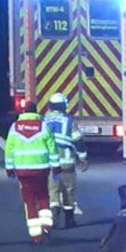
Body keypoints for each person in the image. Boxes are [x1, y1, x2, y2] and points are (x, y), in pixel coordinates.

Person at [3, 105, 57, 240]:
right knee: (43, 197)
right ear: (36, 112)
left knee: (29, 200)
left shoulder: (15, 127)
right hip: (41, 169)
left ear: (23, 112)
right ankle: (46, 226)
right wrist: (56, 166)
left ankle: (36, 234)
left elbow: (9, 149)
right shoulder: (43, 126)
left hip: (23, 171)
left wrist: (9, 168)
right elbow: (52, 147)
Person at [40, 93, 86, 228]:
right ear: (64, 106)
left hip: (49, 164)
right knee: (69, 190)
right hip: (67, 164)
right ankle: (69, 220)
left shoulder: (44, 121)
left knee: (52, 191)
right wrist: (83, 158)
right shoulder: (69, 120)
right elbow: (78, 140)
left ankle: (53, 218)